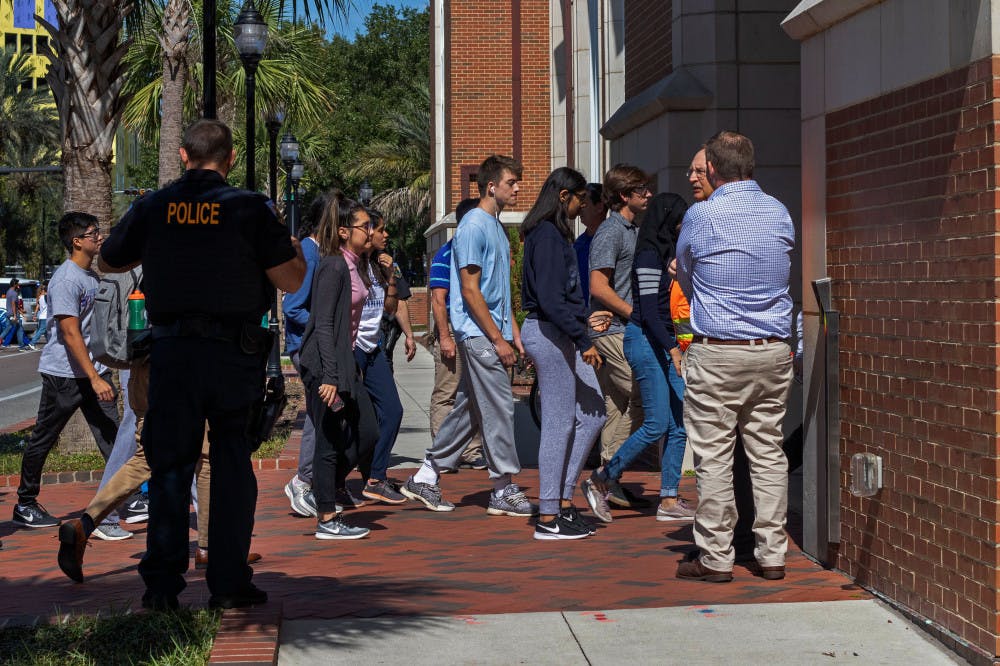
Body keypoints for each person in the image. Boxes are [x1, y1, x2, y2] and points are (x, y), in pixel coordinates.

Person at [98, 119, 305, 610]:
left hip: (172, 353)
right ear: (229, 158)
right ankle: (229, 583)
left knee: (170, 467)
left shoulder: (154, 205)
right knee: (231, 462)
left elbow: (108, 260)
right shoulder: (249, 208)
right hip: (233, 355)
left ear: (182, 155)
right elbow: (292, 281)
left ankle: (162, 588)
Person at [674, 130, 795, 583]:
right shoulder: (779, 212)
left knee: (714, 457)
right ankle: (772, 554)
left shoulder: (701, 215)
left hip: (719, 351)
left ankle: (717, 557)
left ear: (712, 169)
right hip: (772, 350)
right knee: (768, 453)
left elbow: (686, 276)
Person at [402, 154, 534, 517]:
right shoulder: (474, 226)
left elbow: (499, 291)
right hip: (478, 335)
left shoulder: (494, 225)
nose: (517, 188)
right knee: (500, 408)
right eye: (512, 182)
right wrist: (497, 339)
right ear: (492, 186)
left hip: (490, 333)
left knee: (471, 411)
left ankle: (426, 475)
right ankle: (503, 487)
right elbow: (471, 291)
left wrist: (514, 334)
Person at [581, 193, 693, 524]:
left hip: (666, 342)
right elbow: (646, 313)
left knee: (679, 424)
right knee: (657, 421)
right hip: (646, 341)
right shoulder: (646, 256)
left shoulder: (667, 256)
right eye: (678, 220)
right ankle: (601, 478)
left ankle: (669, 500)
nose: (682, 227)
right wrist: (672, 349)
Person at [13, 214, 120, 529]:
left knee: (113, 437)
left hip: (92, 372)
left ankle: (127, 495)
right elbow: (70, 333)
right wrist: (94, 377)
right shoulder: (66, 279)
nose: (99, 237)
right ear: (77, 241)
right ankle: (25, 503)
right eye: (92, 233)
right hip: (65, 375)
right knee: (44, 437)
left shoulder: (91, 276)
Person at [520, 167, 609, 540]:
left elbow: (563, 299)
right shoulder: (546, 236)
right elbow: (551, 300)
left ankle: (563, 500)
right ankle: (549, 515)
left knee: (593, 413)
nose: (582, 206)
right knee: (559, 422)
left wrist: (585, 321)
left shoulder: (554, 235)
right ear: (563, 196)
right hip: (550, 332)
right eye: (579, 199)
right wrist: (584, 338)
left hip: (563, 332)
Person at [298, 191, 379, 539]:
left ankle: (321, 489)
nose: (371, 231)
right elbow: (325, 325)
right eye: (365, 226)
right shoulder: (333, 265)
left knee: (367, 431)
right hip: (324, 364)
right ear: (344, 231)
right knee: (329, 440)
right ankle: (327, 517)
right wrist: (330, 375)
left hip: (344, 362)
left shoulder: (354, 263)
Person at [587, 164, 653, 509]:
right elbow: (598, 286)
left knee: (616, 405)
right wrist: (634, 314)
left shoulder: (632, 229)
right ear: (625, 195)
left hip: (625, 327)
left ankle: (606, 478)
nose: (649, 195)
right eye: (642, 190)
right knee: (644, 395)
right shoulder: (611, 231)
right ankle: (608, 473)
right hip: (610, 328)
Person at [427, 198, 486, 471]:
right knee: (446, 392)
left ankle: (472, 451)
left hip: (475, 329)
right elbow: (438, 300)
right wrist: (445, 337)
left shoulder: (477, 253)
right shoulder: (445, 254)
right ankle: (443, 452)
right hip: (451, 327)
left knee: (473, 392)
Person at [355, 210, 407, 505]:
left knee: (393, 410)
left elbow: (389, 308)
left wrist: (389, 278)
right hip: (353, 349)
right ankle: (328, 483)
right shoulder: (352, 264)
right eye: (381, 230)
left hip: (373, 349)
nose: (386, 235)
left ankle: (376, 478)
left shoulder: (377, 266)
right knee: (355, 418)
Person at [283, 195, 325, 519]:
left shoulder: (317, 251)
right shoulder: (309, 252)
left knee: (320, 411)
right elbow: (292, 306)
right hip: (305, 347)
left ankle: (314, 479)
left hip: (311, 345)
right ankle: (303, 480)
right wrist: (321, 328)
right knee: (316, 412)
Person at [572, 183, 605, 306]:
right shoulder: (578, 244)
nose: (580, 208)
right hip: (581, 315)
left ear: (599, 207)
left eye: (585, 203)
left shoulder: (611, 240)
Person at [3, 278, 31, 351]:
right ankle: (21, 346)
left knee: (8, 329)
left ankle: (21, 345)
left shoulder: (8, 291)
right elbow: (13, 304)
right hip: (13, 314)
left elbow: (14, 305)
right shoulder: (14, 293)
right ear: (15, 284)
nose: (18, 285)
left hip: (9, 313)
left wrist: (22, 313)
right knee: (19, 330)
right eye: (17, 283)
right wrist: (15, 315)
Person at [28, 283, 50, 347]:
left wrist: (34, 315)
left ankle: (49, 343)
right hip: (45, 317)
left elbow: (38, 306)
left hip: (41, 316)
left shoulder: (40, 297)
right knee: (41, 330)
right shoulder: (46, 297)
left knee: (45, 331)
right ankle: (32, 343)